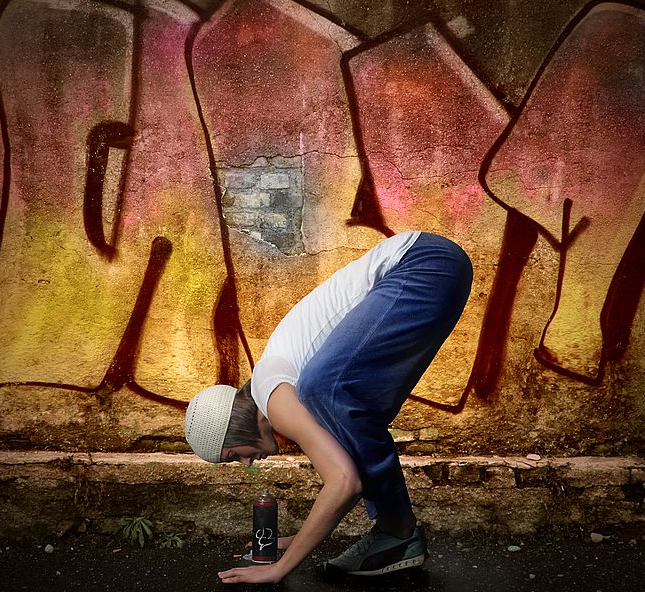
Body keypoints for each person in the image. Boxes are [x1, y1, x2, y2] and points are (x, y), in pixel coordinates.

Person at [185, 231, 472, 584]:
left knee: (324, 388)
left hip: (423, 264)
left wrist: (279, 568)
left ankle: (398, 531)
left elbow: (343, 483)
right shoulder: (277, 381)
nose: (245, 463)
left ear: (236, 427)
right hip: (438, 267)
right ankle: (394, 536)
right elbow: (346, 470)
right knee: (347, 422)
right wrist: (293, 543)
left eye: (234, 455)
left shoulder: (272, 397)